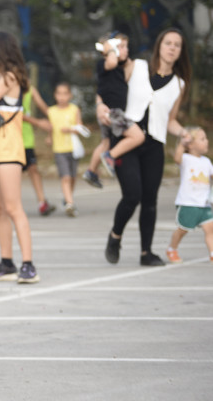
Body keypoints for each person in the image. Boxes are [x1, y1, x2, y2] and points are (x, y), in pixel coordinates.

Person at [103, 28, 190, 266]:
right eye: (168, 43)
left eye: (177, 45)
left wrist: (184, 132)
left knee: (150, 200)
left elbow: (170, 120)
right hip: (127, 139)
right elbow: (111, 86)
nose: (172, 48)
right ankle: (115, 236)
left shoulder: (179, 84)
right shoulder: (137, 67)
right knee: (132, 195)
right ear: (159, 46)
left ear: (181, 52)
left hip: (154, 145)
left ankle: (146, 253)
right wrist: (102, 106)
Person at [0, 31, 38, 283]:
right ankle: (6, 262)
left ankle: (28, 264)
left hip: (9, 151)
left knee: (13, 207)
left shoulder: (10, 77)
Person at [83, 33, 144, 187]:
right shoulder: (105, 64)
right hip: (113, 112)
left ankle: (91, 171)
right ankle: (110, 156)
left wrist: (122, 55)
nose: (126, 50)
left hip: (110, 113)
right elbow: (111, 62)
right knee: (138, 137)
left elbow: (127, 65)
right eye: (121, 47)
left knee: (105, 142)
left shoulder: (119, 68)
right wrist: (110, 50)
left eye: (126, 47)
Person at [165, 127, 213, 263]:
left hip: (204, 204)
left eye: (206, 138)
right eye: (202, 139)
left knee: (210, 229)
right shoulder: (186, 159)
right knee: (183, 229)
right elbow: (177, 158)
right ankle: (172, 249)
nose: (207, 141)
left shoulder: (207, 161)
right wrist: (182, 143)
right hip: (188, 202)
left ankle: (212, 252)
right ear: (191, 144)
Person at [47, 82, 84, 217]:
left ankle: (67, 198)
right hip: (59, 149)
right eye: (59, 94)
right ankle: (70, 203)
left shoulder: (74, 109)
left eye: (65, 93)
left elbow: (80, 128)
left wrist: (70, 129)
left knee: (72, 177)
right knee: (65, 177)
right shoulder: (51, 111)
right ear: (55, 95)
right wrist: (49, 137)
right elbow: (50, 128)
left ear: (70, 95)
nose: (62, 97)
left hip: (73, 148)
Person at [21, 84, 57, 216]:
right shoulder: (7, 87)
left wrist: (57, 118)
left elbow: (46, 109)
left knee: (33, 169)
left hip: (27, 139)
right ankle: (4, 203)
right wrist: (37, 122)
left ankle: (42, 203)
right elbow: (12, 113)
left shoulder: (30, 89)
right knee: (12, 173)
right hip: (11, 139)